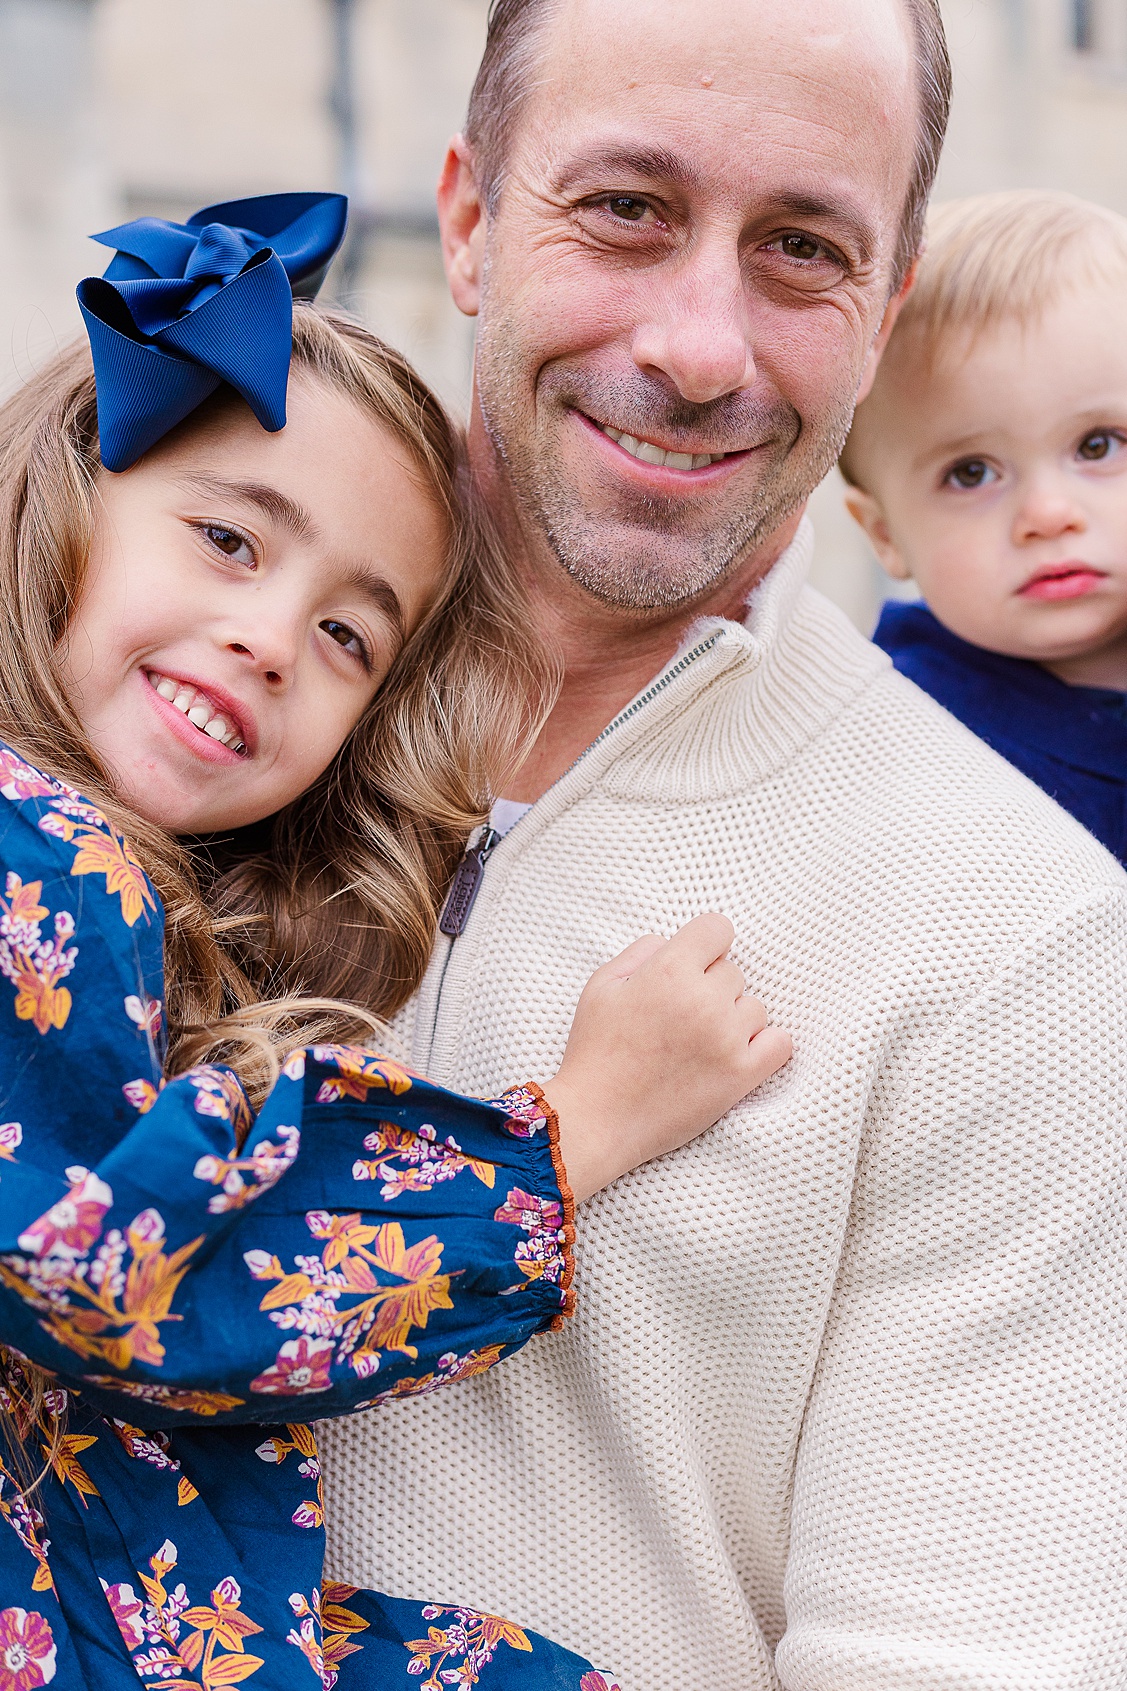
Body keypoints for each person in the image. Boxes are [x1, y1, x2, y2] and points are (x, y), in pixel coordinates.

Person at [317, 2, 1127, 1687]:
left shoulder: (1022, 932)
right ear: (467, 218)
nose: (698, 346)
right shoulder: (121, 715)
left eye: (800, 250)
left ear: (884, 308)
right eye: (624, 208)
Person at [0, 194, 791, 1689]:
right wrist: (563, 1138)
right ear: (62, 493)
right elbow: (123, 1266)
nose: (269, 635)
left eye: (349, 634)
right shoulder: (35, 852)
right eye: (230, 537)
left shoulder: (103, 878)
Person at [840, 190, 1127, 869]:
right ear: (884, 535)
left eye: (1097, 446)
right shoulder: (895, 741)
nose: (1047, 514)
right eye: (970, 473)